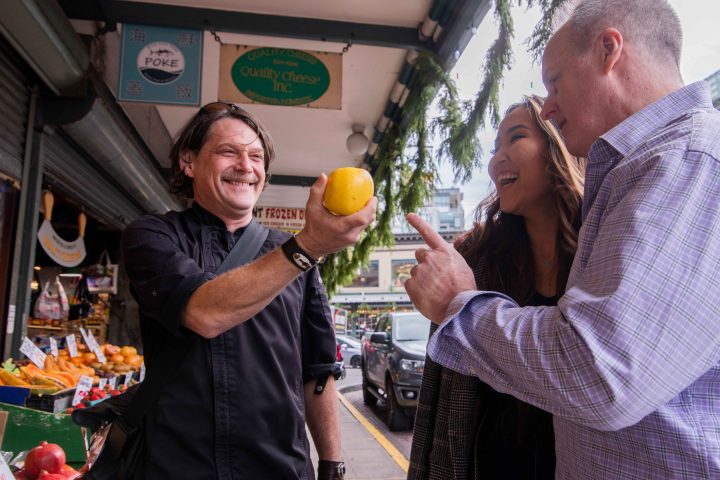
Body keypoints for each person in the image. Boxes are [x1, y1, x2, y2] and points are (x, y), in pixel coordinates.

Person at [404, 0, 720, 478]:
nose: (550, 106)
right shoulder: (640, 174)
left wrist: (458, 303)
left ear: (609, 51)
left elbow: (601, 375)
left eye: (554, 82)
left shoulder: (689, 161)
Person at [121, 101, 376, 479]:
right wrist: (306, 246)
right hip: (175, 467)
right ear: (188, 162)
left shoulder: (294, 257)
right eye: (228, 151)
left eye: (256, 156)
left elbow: (317, 372)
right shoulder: (153, 236)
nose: (246, 166)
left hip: (280, 468)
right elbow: (203, 312)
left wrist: (332, 464)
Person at [408, 95, 584, 480]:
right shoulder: (474, 257)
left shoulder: (602, 249)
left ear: (559, 147)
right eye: (494, 148)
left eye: (515, 138)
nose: (496, 160)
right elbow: (436, 402)